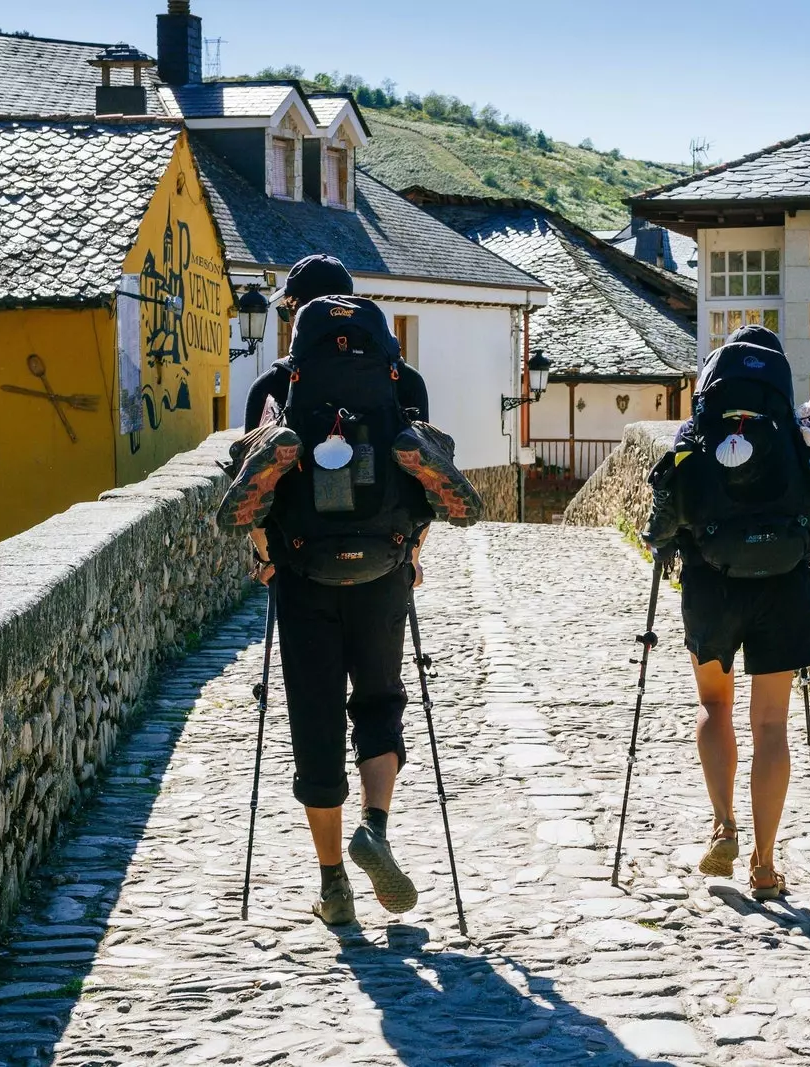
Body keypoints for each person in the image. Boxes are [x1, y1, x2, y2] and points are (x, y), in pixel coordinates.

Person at [231, 253, 477, 925]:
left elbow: (254, 497)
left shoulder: (276, 387)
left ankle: (333, 881)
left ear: (295, 316)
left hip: (303, 569)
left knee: (314, 712)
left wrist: (266, 559)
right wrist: (412, 555)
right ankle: (376, 825)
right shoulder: (405, 381)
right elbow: (422, 480)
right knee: (379, 700)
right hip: (384, 566)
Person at [644, 325, 810, 900]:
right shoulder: (801, 429)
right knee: (772, 725)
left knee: (713, 705)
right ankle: (766, 862)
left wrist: (667, 544)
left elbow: (664, 516)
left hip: (712, 584)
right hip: (783, 585)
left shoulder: (696, 429)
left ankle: (723, 823)